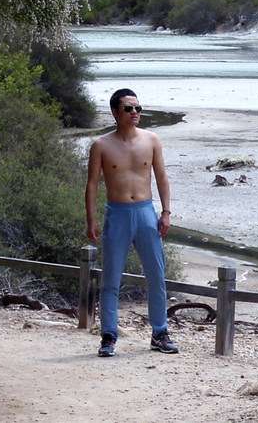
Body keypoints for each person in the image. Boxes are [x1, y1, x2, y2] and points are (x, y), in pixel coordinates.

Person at [85, 88, 178, 357]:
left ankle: (160, 333)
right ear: (115, 112)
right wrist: (91, 220)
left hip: (146, 212)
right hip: (117, 214)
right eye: (128, 108)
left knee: (156, 277)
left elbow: (161, 177)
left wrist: (166, 212)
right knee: (111, 280)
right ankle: (109, 336)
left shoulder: (151, 140)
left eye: (138, 107)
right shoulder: (101, 145)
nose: (135, 112)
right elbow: (92, 185)